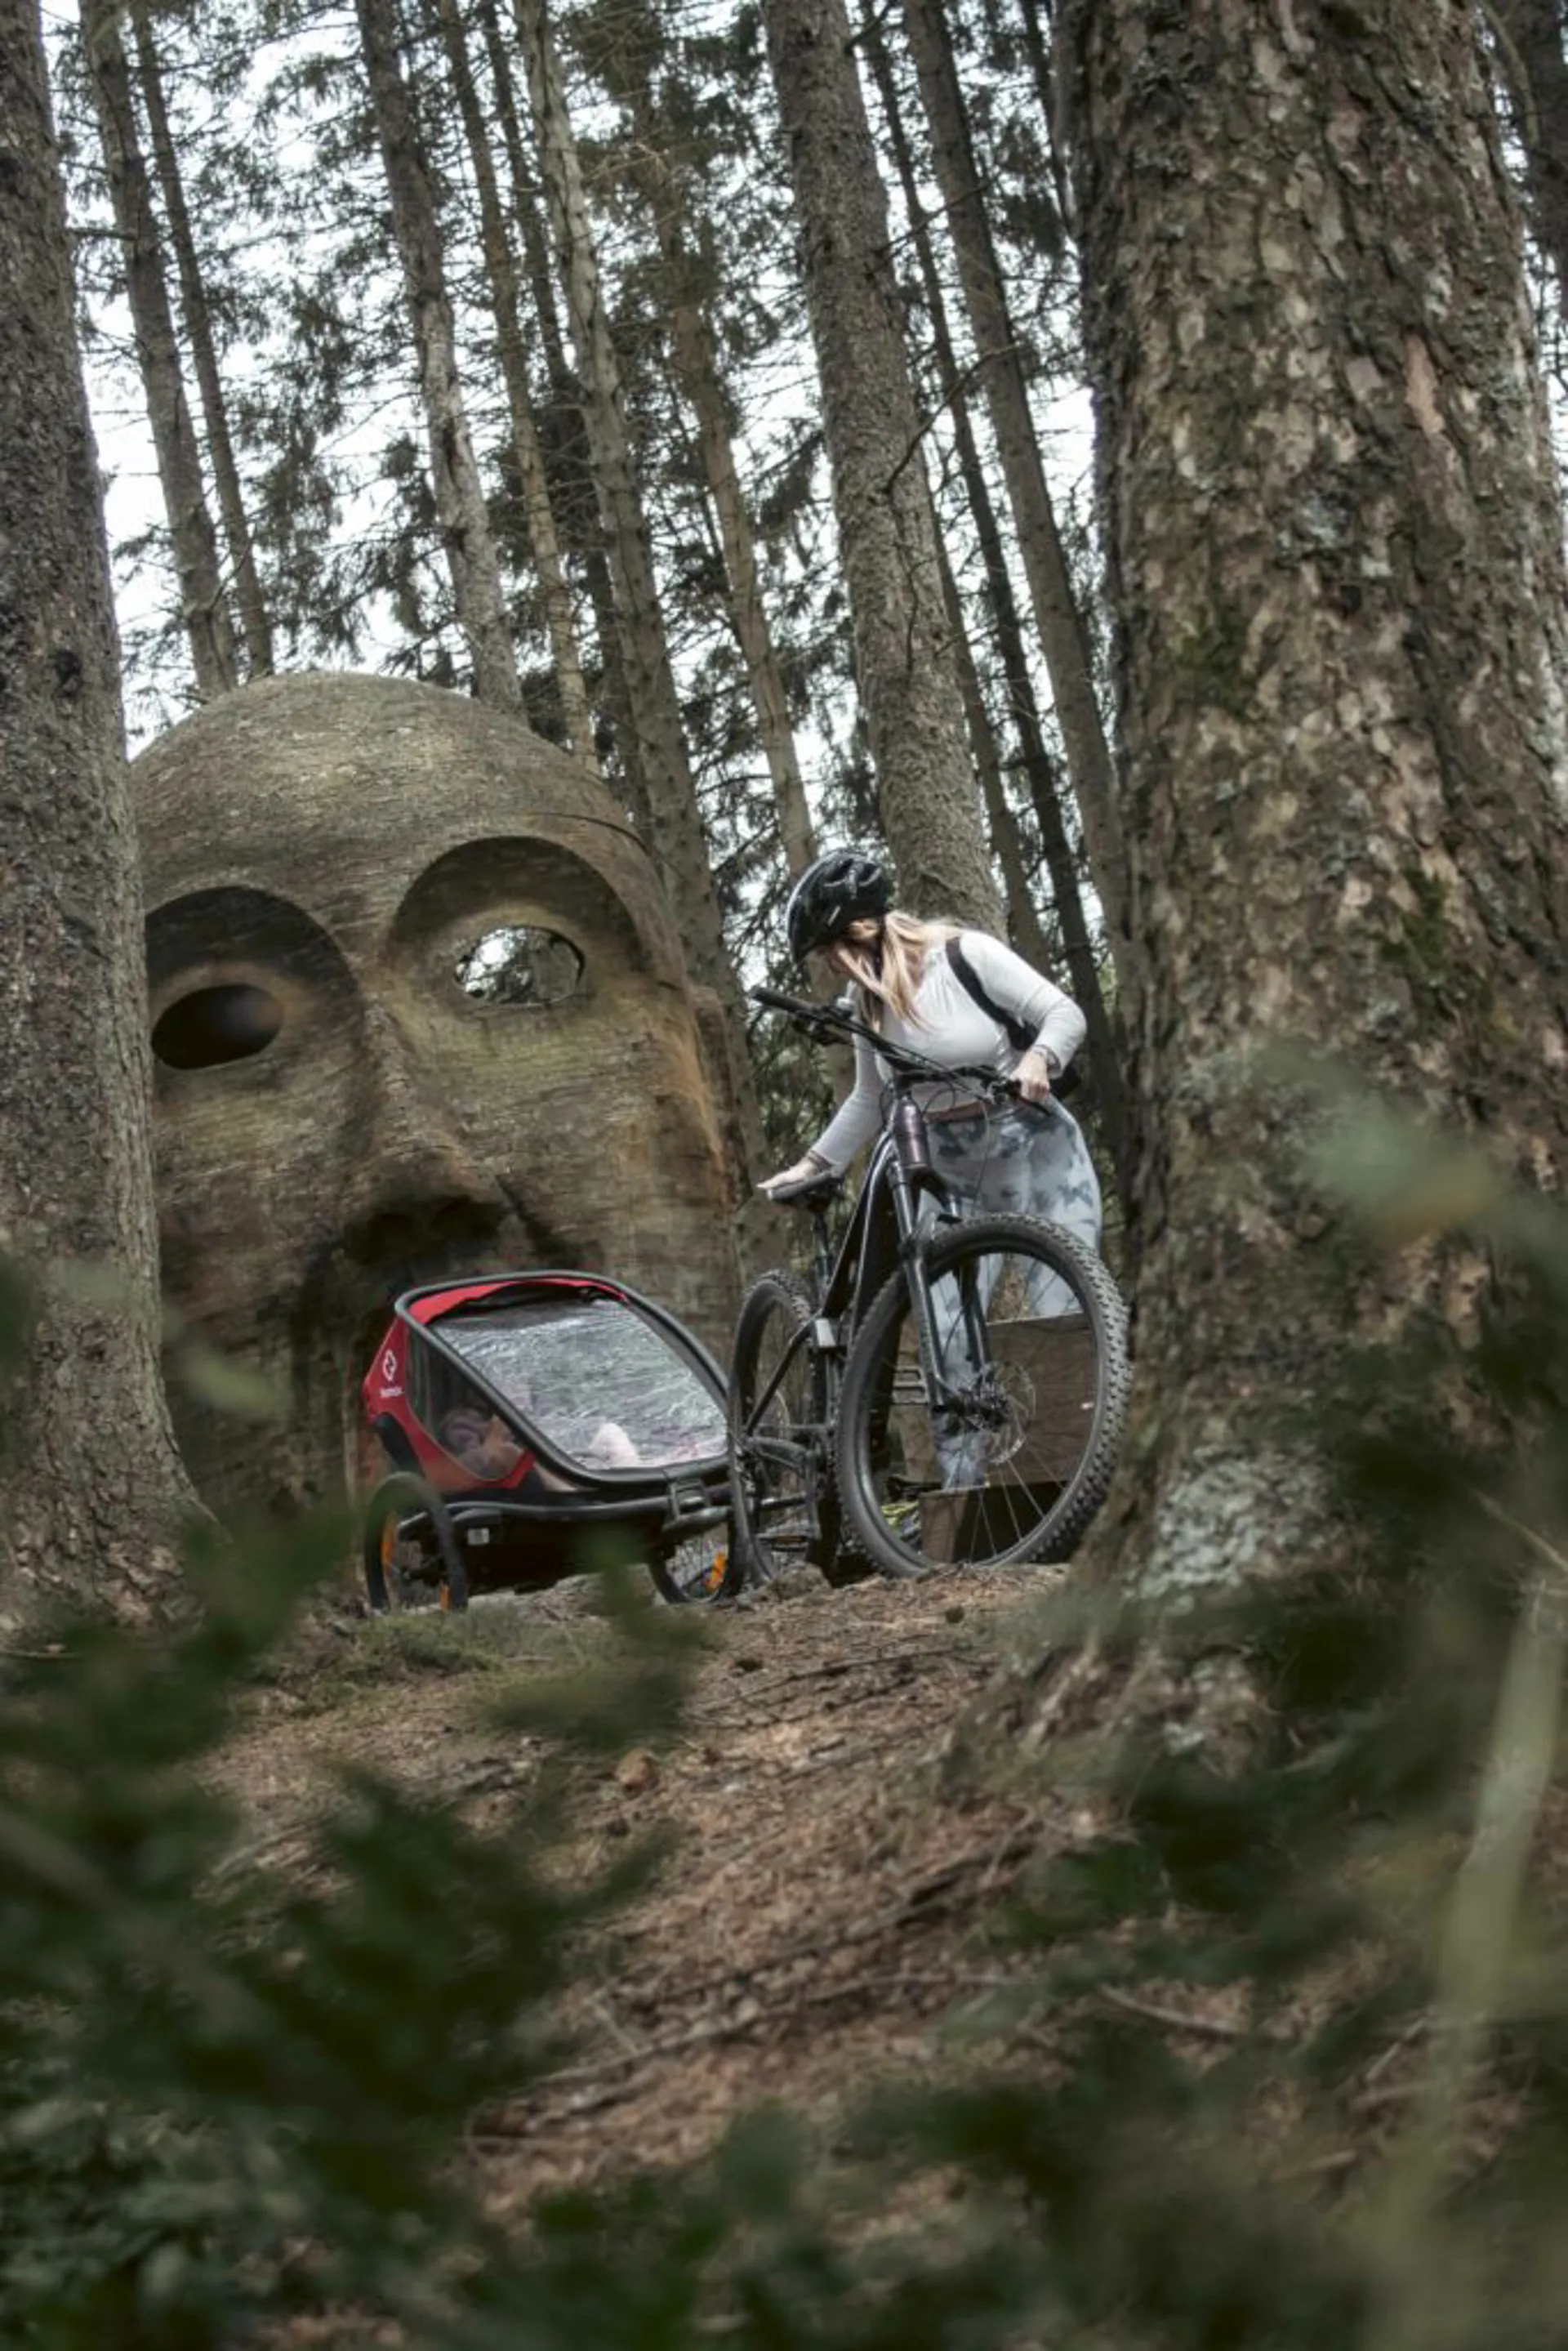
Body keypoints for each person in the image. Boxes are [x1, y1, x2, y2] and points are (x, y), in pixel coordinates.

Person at [759, 848, 1103, 1291]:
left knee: (1069, 1306)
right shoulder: (867, 1001)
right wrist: (811, 1166)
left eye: (831, 951)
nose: (831, 965)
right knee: (945, 1321)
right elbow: (868, 1098)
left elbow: (1064, 1014)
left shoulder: (966, 955)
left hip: (1034, 1149)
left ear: (860, 933)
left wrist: (1038, 1060)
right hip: (948, 1173)